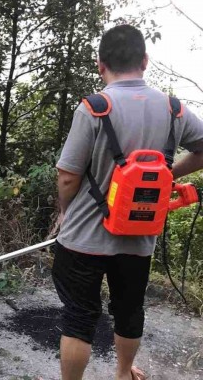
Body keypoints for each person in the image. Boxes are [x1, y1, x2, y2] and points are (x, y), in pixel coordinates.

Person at [53, 24, 203, 380]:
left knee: (79, 318)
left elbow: (68, 177)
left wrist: (64, 212)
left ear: (100, 65)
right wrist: (167, 174)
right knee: (129, 310)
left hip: (84, 239)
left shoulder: (95, 108)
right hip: (138, 238)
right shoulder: (174, 109)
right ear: (145, 61)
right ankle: (123, 373)